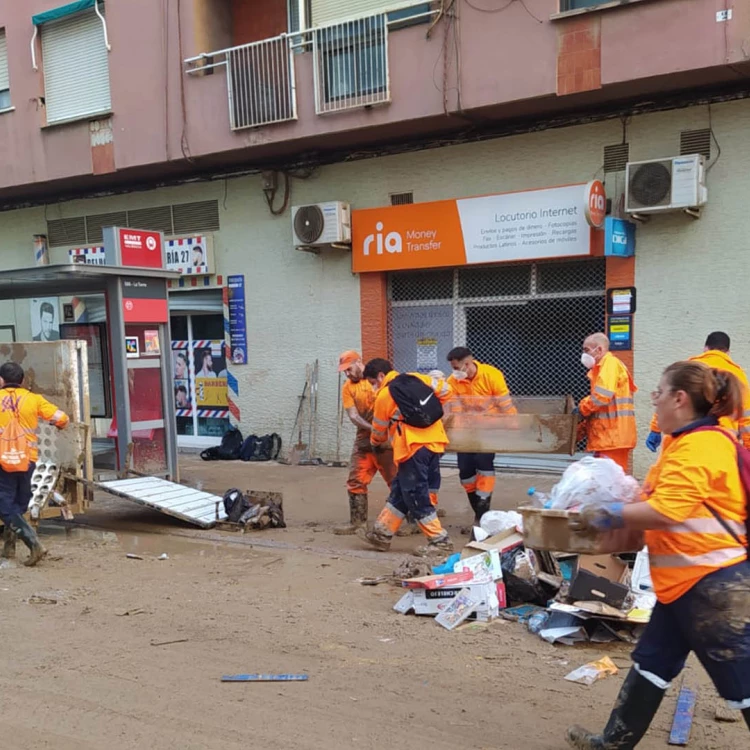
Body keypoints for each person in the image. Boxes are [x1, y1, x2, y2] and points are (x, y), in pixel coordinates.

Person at [566, 361, 749, 748]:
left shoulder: (701, 446)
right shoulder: (687, 443)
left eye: (658, 394)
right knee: (652, 664)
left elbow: (669, 510)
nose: (655, 403)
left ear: (679, 399)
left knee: (742, 680)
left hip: (710, 588)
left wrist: (605, 515)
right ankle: (612, 743)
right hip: (687, 586)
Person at [360, 358, 454, 556]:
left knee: (416, 494)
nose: (372, 387)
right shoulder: (417, 378)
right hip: (435, 443)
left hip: (411, 448)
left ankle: (440, 541)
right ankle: (382, 533)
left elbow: (378, 430)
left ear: (380, 376)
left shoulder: (385, 395)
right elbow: (447, 392)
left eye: (372, 382)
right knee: (401, 490)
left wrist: (376, 444)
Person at [0, 362, 69, 566]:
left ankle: (33, 544)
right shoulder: (34, 399)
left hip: (2, 460)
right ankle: (9, 547)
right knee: (18, 503)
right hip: (27, 459)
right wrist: (53, 424)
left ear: (1, 380)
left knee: (5, 505)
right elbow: (62, 418)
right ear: (22, 380)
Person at [446, 347, 516, 533]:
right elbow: (454, 409)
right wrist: (459, 434)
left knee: (484, 467)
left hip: (489, 430)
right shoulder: (453, 381)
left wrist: (515, 428)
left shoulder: (491, 375)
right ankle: (481, 515)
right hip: (467, 432)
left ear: (467, 364)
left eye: (457, 367)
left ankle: (481, 516)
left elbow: (505, 405)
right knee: (465, 473)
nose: (454, 372)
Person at [646, 331, 750, 453]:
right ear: (727, 352)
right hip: (724, 440)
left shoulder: (690, 369)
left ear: (705, 348)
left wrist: (655, 429)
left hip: (687, 435)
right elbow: (746, 415)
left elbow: (669, 399)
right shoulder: (738, 375)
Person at [333, 351, 397, 535]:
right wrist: (373, 428)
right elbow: (353, 415)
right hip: (364, 441)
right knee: (355, 480)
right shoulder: (348, 387)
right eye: (344, 371)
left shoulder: (378, 379)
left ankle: (411, 521)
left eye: (349, 369)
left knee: (397, 481)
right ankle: (357, 522)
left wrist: (384, 431)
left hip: (387, 442)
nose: (347, 374)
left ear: (359, 362)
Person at [577, 333, 637, 473]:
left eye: (586, 350)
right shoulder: (602, 368)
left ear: (599, 350)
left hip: (612, 437)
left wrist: (582, 408)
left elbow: (602, 396)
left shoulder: (609, 364)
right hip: (610, 437)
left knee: (610, 482)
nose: (584, 354)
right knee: (606, 482)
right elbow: (601, 405)